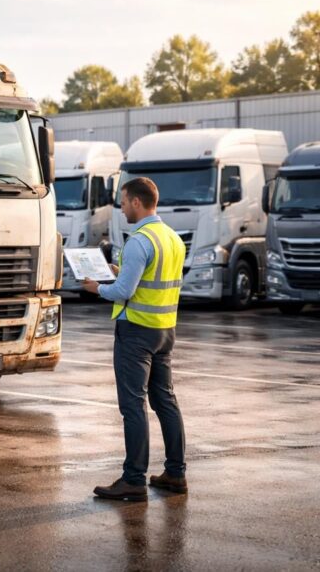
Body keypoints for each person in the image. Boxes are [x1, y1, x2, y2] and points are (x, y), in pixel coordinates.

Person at [82, 177, 188, 502]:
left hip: (136, 333)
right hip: (164, 330)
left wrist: (96, 288)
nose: (122, 207)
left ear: (138, 203)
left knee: (133, 405)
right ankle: (175, 473)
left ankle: (133, 479)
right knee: (165, 401)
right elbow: (149, 280)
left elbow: (124, 292)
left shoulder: (139, 240)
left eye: (124, 202)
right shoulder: (172, 238)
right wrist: (121, 269)